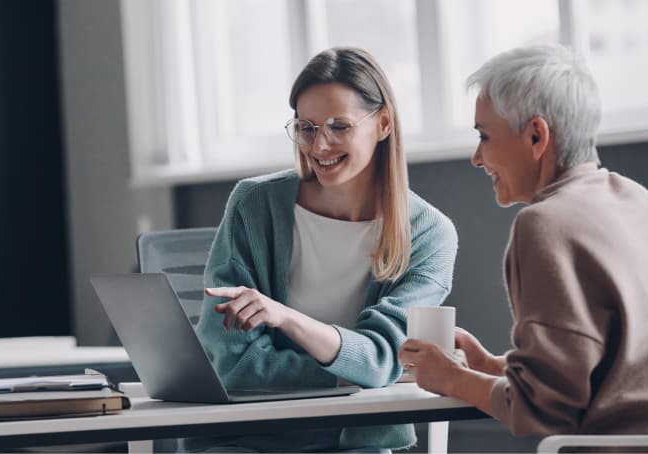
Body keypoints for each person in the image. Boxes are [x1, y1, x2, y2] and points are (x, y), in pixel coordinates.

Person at [398, 43, 648, 436]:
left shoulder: (544, 224)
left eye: (484, 136)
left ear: (536, 135)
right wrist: (492, 366)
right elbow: (611, 371)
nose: (477, 158)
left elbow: (544, 412)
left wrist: (449, 378)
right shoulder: (636, 199)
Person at [182, 47, 458, 452]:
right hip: (246, 439)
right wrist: (347, 374)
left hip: (356, 442)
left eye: (339, 126)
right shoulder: (254, 205)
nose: (320, 145)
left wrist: (288, 320)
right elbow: (234, 363)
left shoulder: (429, 234)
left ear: (383, 123)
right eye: (307, 127)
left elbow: (381, 357)